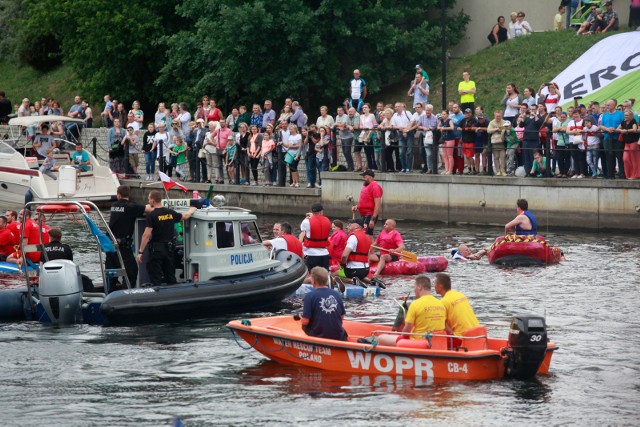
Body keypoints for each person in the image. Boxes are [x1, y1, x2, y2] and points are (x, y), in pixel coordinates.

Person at [136, 190, 197, 286]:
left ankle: (157, 296)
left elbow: (146, 235)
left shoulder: (151, 215)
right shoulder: (170, 212)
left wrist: (140, 252)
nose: (148, 201)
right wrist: (192, 210)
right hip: (169, 249)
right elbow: (185, 216)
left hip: (156, 250)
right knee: (170, 275)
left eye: (149, 199)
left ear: (152, 200)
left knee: (155, 276)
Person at [378, 275, 446, 346]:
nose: (414, 289)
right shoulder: (441, 304)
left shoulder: (415, 305)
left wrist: (399, 333)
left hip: (419, 342)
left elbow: (406, 333)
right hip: (438, 342)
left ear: (419, 287)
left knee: (381, 338)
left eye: (414, 287)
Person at [107, 185, 150, 291]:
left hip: (110, 246)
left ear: (118, 195)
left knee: (112, 275)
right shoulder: (131, 207)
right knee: (132, 272)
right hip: (123, 248)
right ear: (128, 195)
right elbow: (149, 208)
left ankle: (110, 296)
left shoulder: (114, 205)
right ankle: (125, 296)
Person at [301, 266, 347, 341]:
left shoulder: (310, 296)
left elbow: (305, 321)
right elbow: (341, 317)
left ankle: (312, 340)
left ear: (313, 281)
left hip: (319, 336)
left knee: (305, 325)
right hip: (339, 336)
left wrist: (301, 319)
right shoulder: (336, 294)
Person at [434, 272, 479, 337]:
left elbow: (441, 325)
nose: (434, 286)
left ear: (440, 286)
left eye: (435, 283)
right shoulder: (460, 295)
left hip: (462, 337)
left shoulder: (443, 302)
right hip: (478, 333)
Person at [335, 218, 371, 287]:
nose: (348, 226)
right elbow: (368, 256)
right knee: (359, 275)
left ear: (357, 226)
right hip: (365, 270)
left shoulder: (353, 237)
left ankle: (352, 281)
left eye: (350, 224)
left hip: (353, 270)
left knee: (333, 276)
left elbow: (344, 256)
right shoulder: (367, 237)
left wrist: (343, 265)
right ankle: (372, 281)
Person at [351, 169, 382, 239]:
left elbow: (377, 204)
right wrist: (357, 206)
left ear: (370, 177)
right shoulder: (366, 186)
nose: (363, 179)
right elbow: (365, 201)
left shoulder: (375, 187)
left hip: (370, 214)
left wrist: (372, 219)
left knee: (368, 234)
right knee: (366, 233)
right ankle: (367, 249)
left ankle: (369, 249)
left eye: (364, 177)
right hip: (364, 214)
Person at [299, 203, 331, 271]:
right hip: (324, 253)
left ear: (311, 211)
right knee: (324, 275)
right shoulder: (327, 220)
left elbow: (302, 229)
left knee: (310, 275)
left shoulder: (306, 221)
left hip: (310, 254)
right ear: (321, 212)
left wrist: (308, 217)